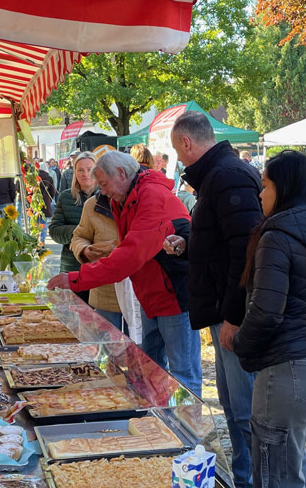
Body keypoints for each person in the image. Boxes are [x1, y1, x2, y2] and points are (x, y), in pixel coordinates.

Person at [233, 150, 306, 488]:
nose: (260, 193)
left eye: (266, 185)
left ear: (284, 187)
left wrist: (242, 344)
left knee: (277, 478)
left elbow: (266, 312)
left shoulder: (278, 234)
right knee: (293, 467)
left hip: (289, 370)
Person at [164, 110, 263, 488]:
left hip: (232, 312)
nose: (179, 159)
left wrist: (234, 317)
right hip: (224, 309)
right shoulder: (218, 176)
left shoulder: (226, 176)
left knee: (242, 408)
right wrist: (189, 245)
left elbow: (245, 253)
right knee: (231, 403)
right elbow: (223, 246)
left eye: (177, 150)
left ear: (187, 143)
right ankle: (246, 482)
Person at [48, 151, 201, 395]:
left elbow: (129, 256)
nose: (104, 192)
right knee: (149, 369)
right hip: (151, 295)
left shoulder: (151, 196)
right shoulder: (128, 196)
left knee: (182, 375)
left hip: (173, 296)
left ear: (121, 173)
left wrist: (77, 279)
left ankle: (186, 433)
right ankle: (155, 425)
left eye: (105, 184)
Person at [69, 186, 124, 331]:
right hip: (104, 293)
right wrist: (85, 250)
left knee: (139, 350)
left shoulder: (142, 202)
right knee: (107, 348)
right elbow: (79, 236)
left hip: (137, 296)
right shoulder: (92, 204)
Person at [49, 153, 96, 304]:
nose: (85, 174)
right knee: (74, 319)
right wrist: (80, 231)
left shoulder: (108, 196)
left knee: (100, 321)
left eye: (89, 169)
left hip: (100, 267)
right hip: (72, 266)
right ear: (74, 172)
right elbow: (55, 231)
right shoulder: (65, 197)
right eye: (80, 170)